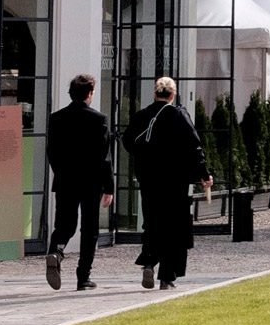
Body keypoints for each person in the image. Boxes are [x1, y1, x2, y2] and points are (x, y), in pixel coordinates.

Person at [125, 76, 211, 289]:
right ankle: (167, 276)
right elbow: (194, 146)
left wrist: (144, 158)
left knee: (152, 222)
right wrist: (203, 173)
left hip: (149, 179)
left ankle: (149, 261)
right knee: (175, 226)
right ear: (173, 94)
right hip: (175, 180)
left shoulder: (142, 116)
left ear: (155, 93)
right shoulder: (178, 115)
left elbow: (127, 141)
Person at [45, 75, 115, 291]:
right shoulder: (99, 119)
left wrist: (61, 172)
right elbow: (104, 157)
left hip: (65, 180)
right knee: (90, 229)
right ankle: (83, 276)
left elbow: (51, 151)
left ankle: (56, 251)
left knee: (64, 224)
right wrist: (109, 187)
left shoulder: (57, 118)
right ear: (90, 94)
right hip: (91, 182)